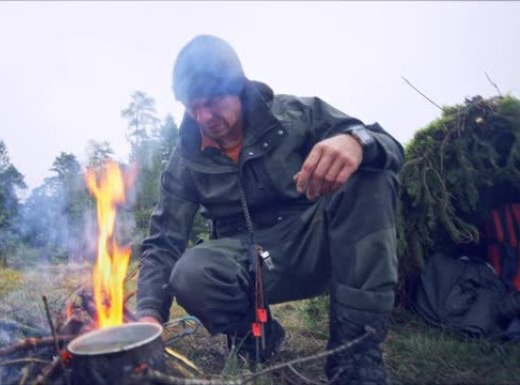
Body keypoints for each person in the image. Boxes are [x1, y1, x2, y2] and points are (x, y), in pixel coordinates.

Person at [135, 34, 403, 385]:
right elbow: (163, 242)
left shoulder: (297, 114)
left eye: (214, 102)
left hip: (318, 243)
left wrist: (354, 141)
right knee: (190, 273)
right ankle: (256, 337)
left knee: (371, 175)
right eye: (191, 105)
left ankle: (354, 354)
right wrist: (149, 313)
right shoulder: (185, 160)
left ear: (239, 88)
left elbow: (389, 147)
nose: (203, 117)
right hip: (248, 262)